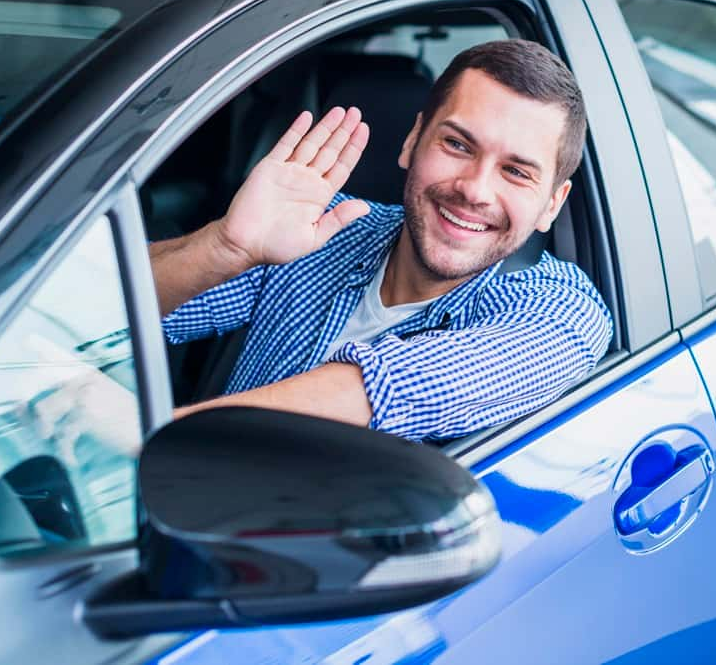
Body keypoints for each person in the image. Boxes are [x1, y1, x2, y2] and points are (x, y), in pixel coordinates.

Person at [152, 39, 612, 441]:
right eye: (457, 145)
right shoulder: (326, 226)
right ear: (413, 140)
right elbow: (113, 312)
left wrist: (150, 439)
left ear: (552, 204)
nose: (475, 189)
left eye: (515, 172)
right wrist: (223, 249)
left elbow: (392, 386)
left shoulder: (563, 313)